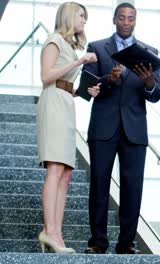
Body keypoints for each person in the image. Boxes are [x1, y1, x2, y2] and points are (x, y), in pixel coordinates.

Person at [80, 2, 160, 254]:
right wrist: (109, 80)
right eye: (122, 18)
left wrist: (149, 83)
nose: (126, 22)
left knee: (132, 187)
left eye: (131, 19)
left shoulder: (149, 52)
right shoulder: (97, 48)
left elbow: (156, 94)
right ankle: (97, 242)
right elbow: (87, 88)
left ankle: (126, 242)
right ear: (114, 19)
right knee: (99, 185)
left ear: (135, 21)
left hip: (134, 131)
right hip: (103, 128)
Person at [36, 1, 99, 254]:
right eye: (81, 15)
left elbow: (62, 83)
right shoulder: (54, 40)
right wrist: (79, 62)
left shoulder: (69, 46)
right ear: (69, 16)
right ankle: (49, 231)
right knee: (55, 169)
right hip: (52, 105)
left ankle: (56, 233)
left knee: (65, 172)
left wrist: (81, 91)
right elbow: (45, 76)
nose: (84, 20)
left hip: (64, 103)